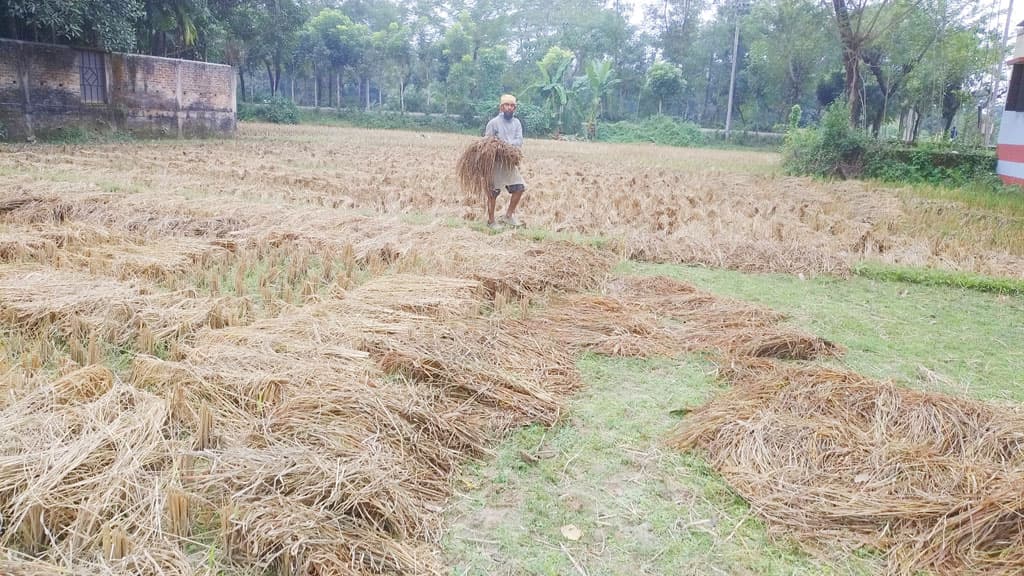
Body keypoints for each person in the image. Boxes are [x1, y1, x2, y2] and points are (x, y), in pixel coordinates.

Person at [483, 94, 526, 228]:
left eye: (512, 106)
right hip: (495, 163)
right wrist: (500, 147)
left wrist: (506, 145)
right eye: (507, 105)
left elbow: (519, 140)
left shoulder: (517, 123)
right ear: (501, 107)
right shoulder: (493, 123)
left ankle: (508, 216)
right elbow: (487, 142)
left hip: (509, 163)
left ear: (515, 108)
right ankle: (491, 221)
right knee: (493, 192)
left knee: (519, 188)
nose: (509, 108)